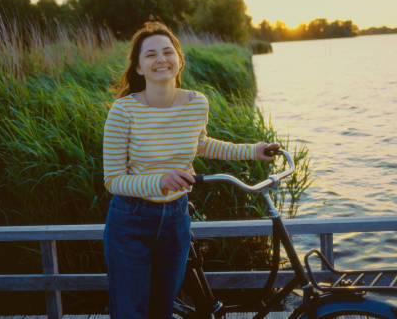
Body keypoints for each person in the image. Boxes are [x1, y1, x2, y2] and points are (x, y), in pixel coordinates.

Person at [102, 20, 279, 318]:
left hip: (175, 220)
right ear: (139, 68)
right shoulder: (123, 111)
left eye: (168, 52)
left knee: (163, 310)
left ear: (180, 59)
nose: (161, 59)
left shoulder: (197, 103)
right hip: (131, 221)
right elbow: (113, 180)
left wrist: (253, 151)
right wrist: (159, 181)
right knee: (130, 312)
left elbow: (201, 144)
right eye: (151, 55)